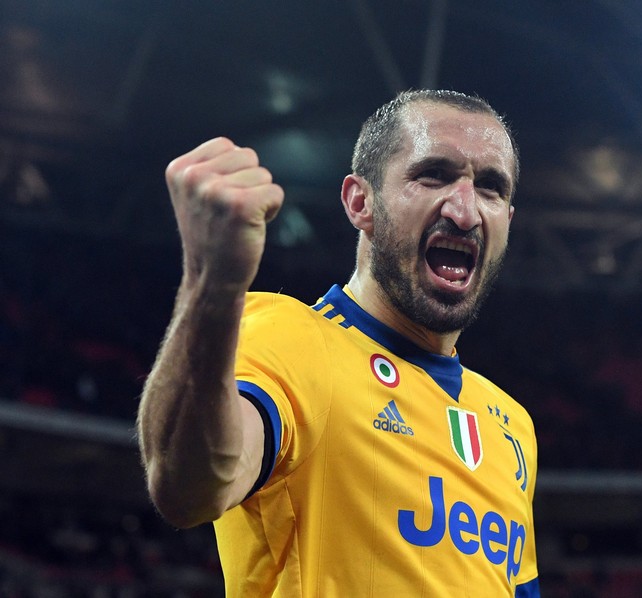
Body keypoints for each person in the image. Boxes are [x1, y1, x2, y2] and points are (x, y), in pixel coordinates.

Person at [137, 89, 539, 597]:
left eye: (490, 187)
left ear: (507, 218)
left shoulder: (512, 425)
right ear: (360, 202)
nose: (464, 210)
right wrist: (210, 282)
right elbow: (188, 486)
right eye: (433, 174)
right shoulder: (295, 338)